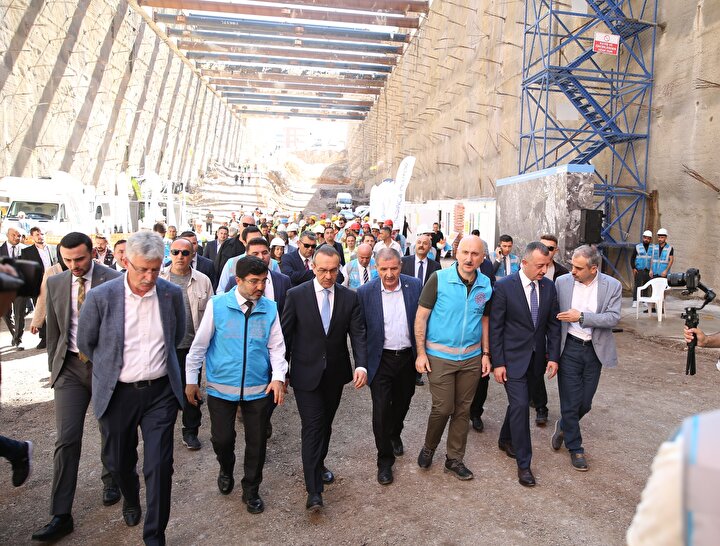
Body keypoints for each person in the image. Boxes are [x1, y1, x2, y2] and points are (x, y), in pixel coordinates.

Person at [77, 231, 186, 546]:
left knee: (160, 466)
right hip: (118, 394)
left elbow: (177, 335)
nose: (149, 277)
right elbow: (86, 343)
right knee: (118, 461)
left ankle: (155, 536)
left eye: (155, 269)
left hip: (160, 394)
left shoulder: (170, 294)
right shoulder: (101, 296)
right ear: (126, 261)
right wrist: (113, 368)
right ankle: (130, 497)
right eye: (142, 269)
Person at [31, 233, 122, 542]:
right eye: (67, 260)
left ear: (92, 253)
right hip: (69, 368)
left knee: (110, 428)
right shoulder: (56, 282)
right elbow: (55, 332)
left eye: (80, 259)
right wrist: (54, 369)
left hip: (104, 368)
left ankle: (111, 479)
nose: (74, 265)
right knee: (66, 440)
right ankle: (60, 514)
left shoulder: (114, 280)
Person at [185, 256, 286, 513]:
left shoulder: (270, 308)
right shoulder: (217, 305)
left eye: (263, 281)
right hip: (221, 388)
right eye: (254, 281)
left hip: (258, 389)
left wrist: (278, 377)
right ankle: (225, 468)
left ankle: (251, 489)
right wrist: (191, 380)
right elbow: (199, 346)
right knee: (222, 439)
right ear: (238, 280)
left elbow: (276, 347)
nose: (260, 287)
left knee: (257, 443)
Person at [280, 245, 367, 511]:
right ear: (313, 268)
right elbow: (285, 336)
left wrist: (361, 366)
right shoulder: (296, 295)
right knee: (313, 426)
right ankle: (314, 490)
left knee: (325, 424)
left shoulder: (349, 297)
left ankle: (318, 464)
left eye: (333, 270)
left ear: (339, 268)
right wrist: (281, 372)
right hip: (305, 373)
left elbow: (358, 334)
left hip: (335, 374)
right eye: (322, 270)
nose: (328, 276)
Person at [414, 236, 492, 480]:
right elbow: (421, 317)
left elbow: (484, 320)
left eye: (475, 254)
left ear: (482, 258)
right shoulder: (438, 279)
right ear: (456, 254)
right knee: (443, 407)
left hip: (471, 358)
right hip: (440, 357)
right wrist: (420, 353)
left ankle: (454, 459)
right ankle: (429, 446)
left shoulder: (486, 284)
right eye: (465, 252)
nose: (469, 258)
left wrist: (486, 353)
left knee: (463, 409)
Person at [489, 242, 561, 487]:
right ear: (525, 263)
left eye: (547, 265)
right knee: (521, 406)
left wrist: (553, 357)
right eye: (540, 265)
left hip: (536, 360)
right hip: (511, 360)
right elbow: (496, 328)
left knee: (518, 404)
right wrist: (498, 362)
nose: (544, 270)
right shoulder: (504, 286)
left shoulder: (549, 287)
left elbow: (553, 326)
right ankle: (524, 464)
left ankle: (505, 439)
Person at [552, 245, 621, 472]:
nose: (572, 271)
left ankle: (563, 426)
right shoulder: (562, 282)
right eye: (572, 265)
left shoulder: (612, 285)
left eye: (578, 268)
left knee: (585, 403)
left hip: (594, 350)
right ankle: (576, 448)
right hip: (569, 348)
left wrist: (581, 317)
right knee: (570, 403)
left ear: (593, 269)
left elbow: (613, 318)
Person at [357, 249, 421, 485]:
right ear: (376, 268)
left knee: (403, 402)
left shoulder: (415, 286)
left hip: (407, 358)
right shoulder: (365, 292)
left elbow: (424, 320)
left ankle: (395, 433)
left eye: (394, 268)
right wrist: (362, 364)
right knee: (382, 410)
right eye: (384, 269)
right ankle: (384, 461)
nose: (389, 274)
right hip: (380, 360)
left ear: (401, 266)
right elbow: (360, 331)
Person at [160, 238, 214, 451]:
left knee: (191, 389)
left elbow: (211, 314)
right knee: (164, 391)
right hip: (164, 347)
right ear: (170, 254)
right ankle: (162, 431)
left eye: (185, 253)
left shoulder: (203, 281)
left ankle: (190, 430)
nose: (180, 257)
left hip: (191, 347)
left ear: (192, 255)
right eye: (175, 252)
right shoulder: (159, 278)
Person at [530, 234, 569, 427]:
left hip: (553, 320)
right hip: (533, 324)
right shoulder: (529, 267)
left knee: (544, 366)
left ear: (556, 250)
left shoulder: (563, 273)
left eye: (550, 248)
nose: (546, 250)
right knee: (535, 369)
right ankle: (540, 405)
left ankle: (541, 404)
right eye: (543, 246)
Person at [19, 227, 56, 349]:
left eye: (42, 234)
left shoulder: (54, 248)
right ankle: (44, 338)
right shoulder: (27, 252)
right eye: (37, 234)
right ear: (32, 237)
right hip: (38, 286)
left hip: (55, 283)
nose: (40, 236)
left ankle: (57, 336)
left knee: (56, 310)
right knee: (40, 311)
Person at [0, 227, 25, 343]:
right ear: (7, 235)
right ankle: (14, 333)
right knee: (5, 314)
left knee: (19, 314)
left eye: (19, 236)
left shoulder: (25, 250)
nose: (16, 238)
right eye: (13, 235)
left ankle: (18, 339)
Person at [630, 230, 653, 309]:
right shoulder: (638, 247)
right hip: (639, 269)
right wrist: (633, 267)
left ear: (650, 239)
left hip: (648, 270)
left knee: (646, 285)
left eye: (648, 238)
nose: (646, 239)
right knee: (637, 285)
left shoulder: (653, 248)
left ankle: (644, 300)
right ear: (643, 238)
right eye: (645, 238)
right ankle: (635, 300)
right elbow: (632, 258)